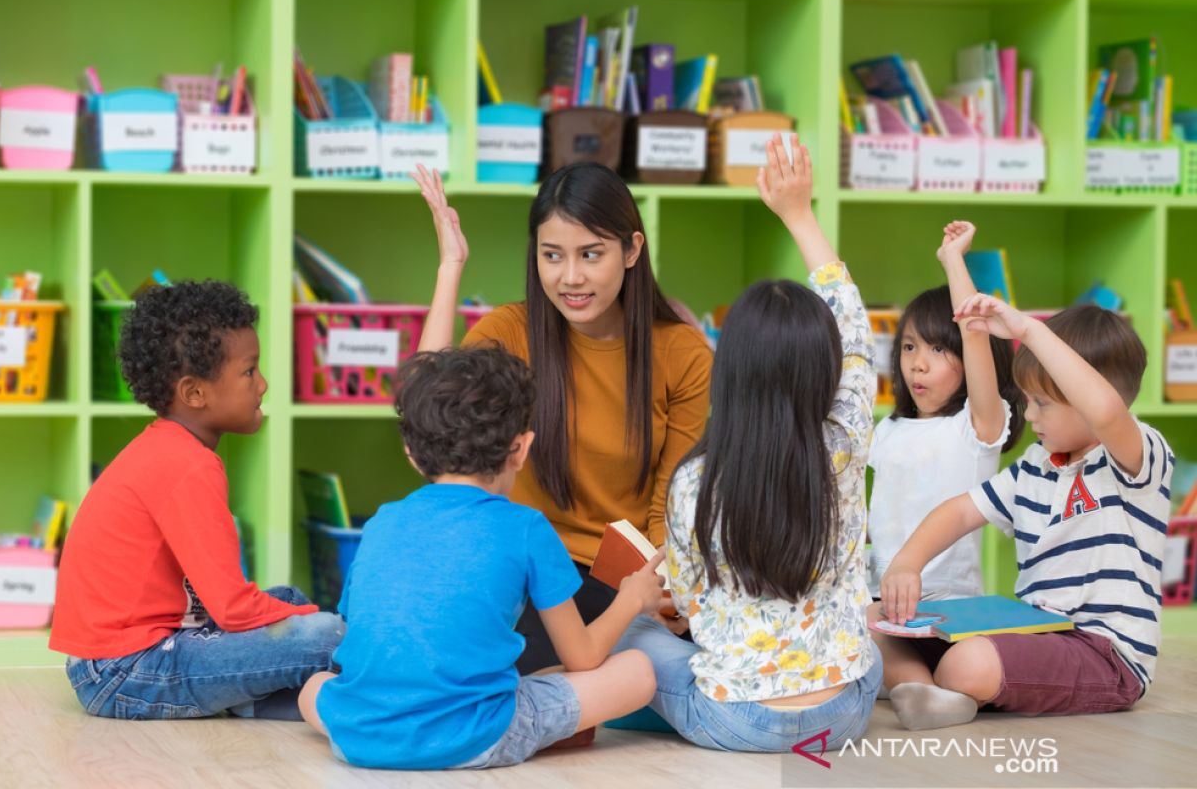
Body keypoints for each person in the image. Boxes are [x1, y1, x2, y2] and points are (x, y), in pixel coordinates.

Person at [613, 134, 882, 752]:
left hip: (735, 719)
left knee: (627, 640)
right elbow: (855, 328)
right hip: (842, 714)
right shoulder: (846, 439)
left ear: (729, 367)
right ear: (825, 369)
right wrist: (799, 213)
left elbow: (684, 601)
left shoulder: (693, 481)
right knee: (867, 647)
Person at [298, 346, 663, 769]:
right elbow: (583, 657)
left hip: (359, 737)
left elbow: (358, 633)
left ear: (411, 453)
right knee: (638, 670)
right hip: (475, 737)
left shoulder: (382, 520)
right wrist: (632, 599)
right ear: (521, 448)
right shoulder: (526, 526)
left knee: (316, 686)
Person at [411, 162, 712, 672]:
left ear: (632, 250)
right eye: (552, 256)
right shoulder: (510, 331)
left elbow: (672, 509)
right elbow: (428, 419)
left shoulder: (681, 353)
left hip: (619, 583)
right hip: (519, 568)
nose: (570, 277)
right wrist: (450, 266)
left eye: (590, 255)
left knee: (676, 671)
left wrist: (667, 591)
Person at [51, 281, 343, 719]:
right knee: (328, 633)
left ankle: (258, 702)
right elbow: (233, 607)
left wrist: (295, 611)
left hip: (116, 660)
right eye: (249, 372)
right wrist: (316, 618)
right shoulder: (189, 465)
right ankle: (326, 697)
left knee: (287, 597)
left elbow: (223, 604)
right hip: (124, 671)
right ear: (194, 393)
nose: (262, 385)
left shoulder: (169, 448)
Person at [881, 296, 1169, 730]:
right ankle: (924, 691)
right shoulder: (1035, 465)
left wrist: (1030, 330)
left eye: (1042, 402)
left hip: (1106, 655)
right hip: (1038, 630)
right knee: (871, 621)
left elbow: (1107, 411)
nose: (1029, 414)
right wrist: (907, 562)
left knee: (970, 662)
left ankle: (946, 684)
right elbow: (960, 512)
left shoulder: (1134, 458)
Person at [866, 221, 1024, 695]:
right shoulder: (887, 429)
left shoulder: (977, 428)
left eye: (938, 349)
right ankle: (922, 693)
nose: (918, 362)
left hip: (948, 607)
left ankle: (920, 689)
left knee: (864, 629)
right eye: (910, 347)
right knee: (856, 624)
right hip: (882, 601)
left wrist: (953, 259)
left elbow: (974, 335)